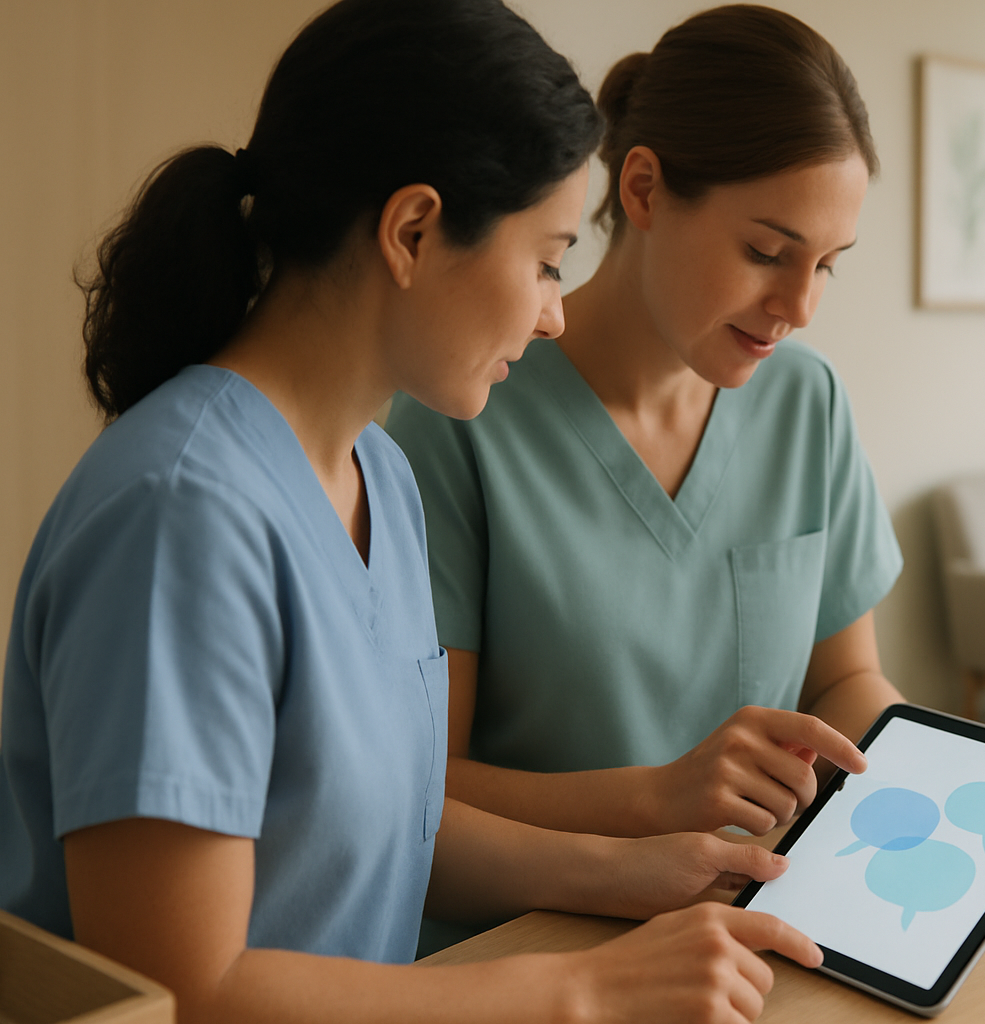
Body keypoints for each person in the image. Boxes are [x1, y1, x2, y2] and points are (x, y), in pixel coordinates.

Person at [0, 1, 836, 1021]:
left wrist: (638, 872)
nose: (553, 310)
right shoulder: (180, 518)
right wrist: (582, 987)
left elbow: (394, 828)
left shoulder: (381, 480)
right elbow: (185, 989)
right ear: (412, 231)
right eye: (544, 259)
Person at [385, 4, 902, 845]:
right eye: (768, 253)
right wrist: (657, 804)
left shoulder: (808, 403)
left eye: (826, 267)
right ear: (644, 189)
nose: (799, 307)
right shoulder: (459, 415)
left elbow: (844, 682)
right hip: (525, 941)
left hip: (750, 923)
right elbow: (418, 783)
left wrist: (938, 775)